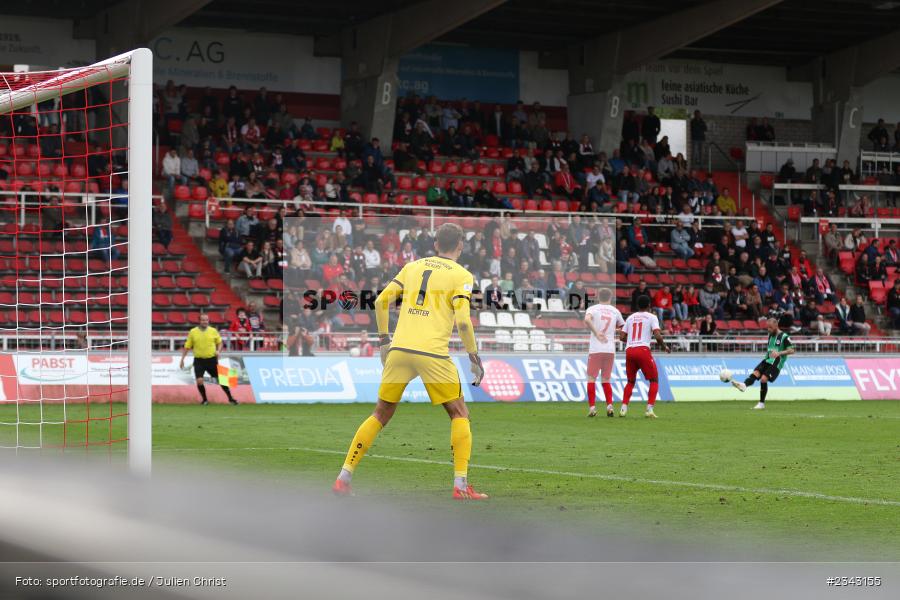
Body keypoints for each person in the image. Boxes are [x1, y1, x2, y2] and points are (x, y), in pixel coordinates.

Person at [333, 223, 488, 500]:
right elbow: (463, 321)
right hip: (432, 354)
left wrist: (383, 341)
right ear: (461, 245)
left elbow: (381, 302)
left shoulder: (413, 266)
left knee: (380, 413)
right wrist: (474, 357)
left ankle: (344, 477)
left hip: (400, 349)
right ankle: (461, 486)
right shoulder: (462, 275)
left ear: (436, 243)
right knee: (459, 413)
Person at [618, 295, 670, 418]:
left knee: (630, 381)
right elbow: (657, 336)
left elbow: (621, 337)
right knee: (654, 380)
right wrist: (664, 347)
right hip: (643, 350)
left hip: (629, 350)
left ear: (637, 305)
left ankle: (623, 409)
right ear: (649, 305)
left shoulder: (630, 318)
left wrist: (632, 341)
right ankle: (649, 410)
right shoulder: (652, 317)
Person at [732, 316, 794, 409]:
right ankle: (744, 385)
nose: (768, 330)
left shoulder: (784, 337)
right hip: (767, 359)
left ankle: (761, 403)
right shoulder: (770, 335)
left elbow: (792, 350)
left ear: (776, 325)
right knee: (756, 373)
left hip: (777, 361)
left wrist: (779, 353)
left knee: (763, 379)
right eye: (767, 328)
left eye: (770, 328)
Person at [583, 288, 625, 418]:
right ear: (610, 297)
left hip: (596, 349)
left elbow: (587, 319)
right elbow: (623, 328)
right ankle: (609, 406)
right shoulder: (615, 311)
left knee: (591, 379)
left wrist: (596, 332)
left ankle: (592, 408)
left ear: (598, 297)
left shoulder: (593, 309)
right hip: (609, 349)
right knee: (606, 379)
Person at [179, 314, 238, 405]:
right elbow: (187, 347)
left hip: (212, 360)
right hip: (199, 361)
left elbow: (220, 343)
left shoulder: (213, 331)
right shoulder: (193, 332)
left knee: (222, 379)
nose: (205, 322)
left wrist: (218, 351)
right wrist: (182, 359)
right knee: (199, 381)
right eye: (203, 320)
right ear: (199, 321)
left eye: (206, 320)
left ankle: (230, 398)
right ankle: (205, 400)